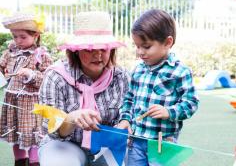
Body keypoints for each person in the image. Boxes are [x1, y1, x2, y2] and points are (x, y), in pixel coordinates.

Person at [38, 11, 129, 166]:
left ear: (111, 49)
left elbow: (130, 112)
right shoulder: (56, 76)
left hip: (108, 146)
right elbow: (52, 131)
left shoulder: (121, 76)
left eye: (104, 49)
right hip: (66, 145)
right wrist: (71, 118)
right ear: (76, 50)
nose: (98, 55)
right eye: (89, 49)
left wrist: (126, 122)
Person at [117, 9, 199, 165]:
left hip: (164, 143)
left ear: (167, 42)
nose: (140, 52)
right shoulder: (138, 70)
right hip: (136, 140)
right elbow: (128, 99)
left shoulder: (180, 72)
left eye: (146, 46)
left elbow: (191, 103)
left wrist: (169, 112)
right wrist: (125, 119)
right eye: (137, 46)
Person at [0, 12, 53, 166]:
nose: (18, 41)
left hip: (30, 103)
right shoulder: (10, 53)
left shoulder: (41, 56)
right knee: (15, 132)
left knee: (31, 134)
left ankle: (35, 162)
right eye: (15, 36)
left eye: (23, 37)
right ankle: (19, 161)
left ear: (35, 35)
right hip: (12, 100)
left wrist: (31, 74)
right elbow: (2, 67)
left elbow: (47, 79)